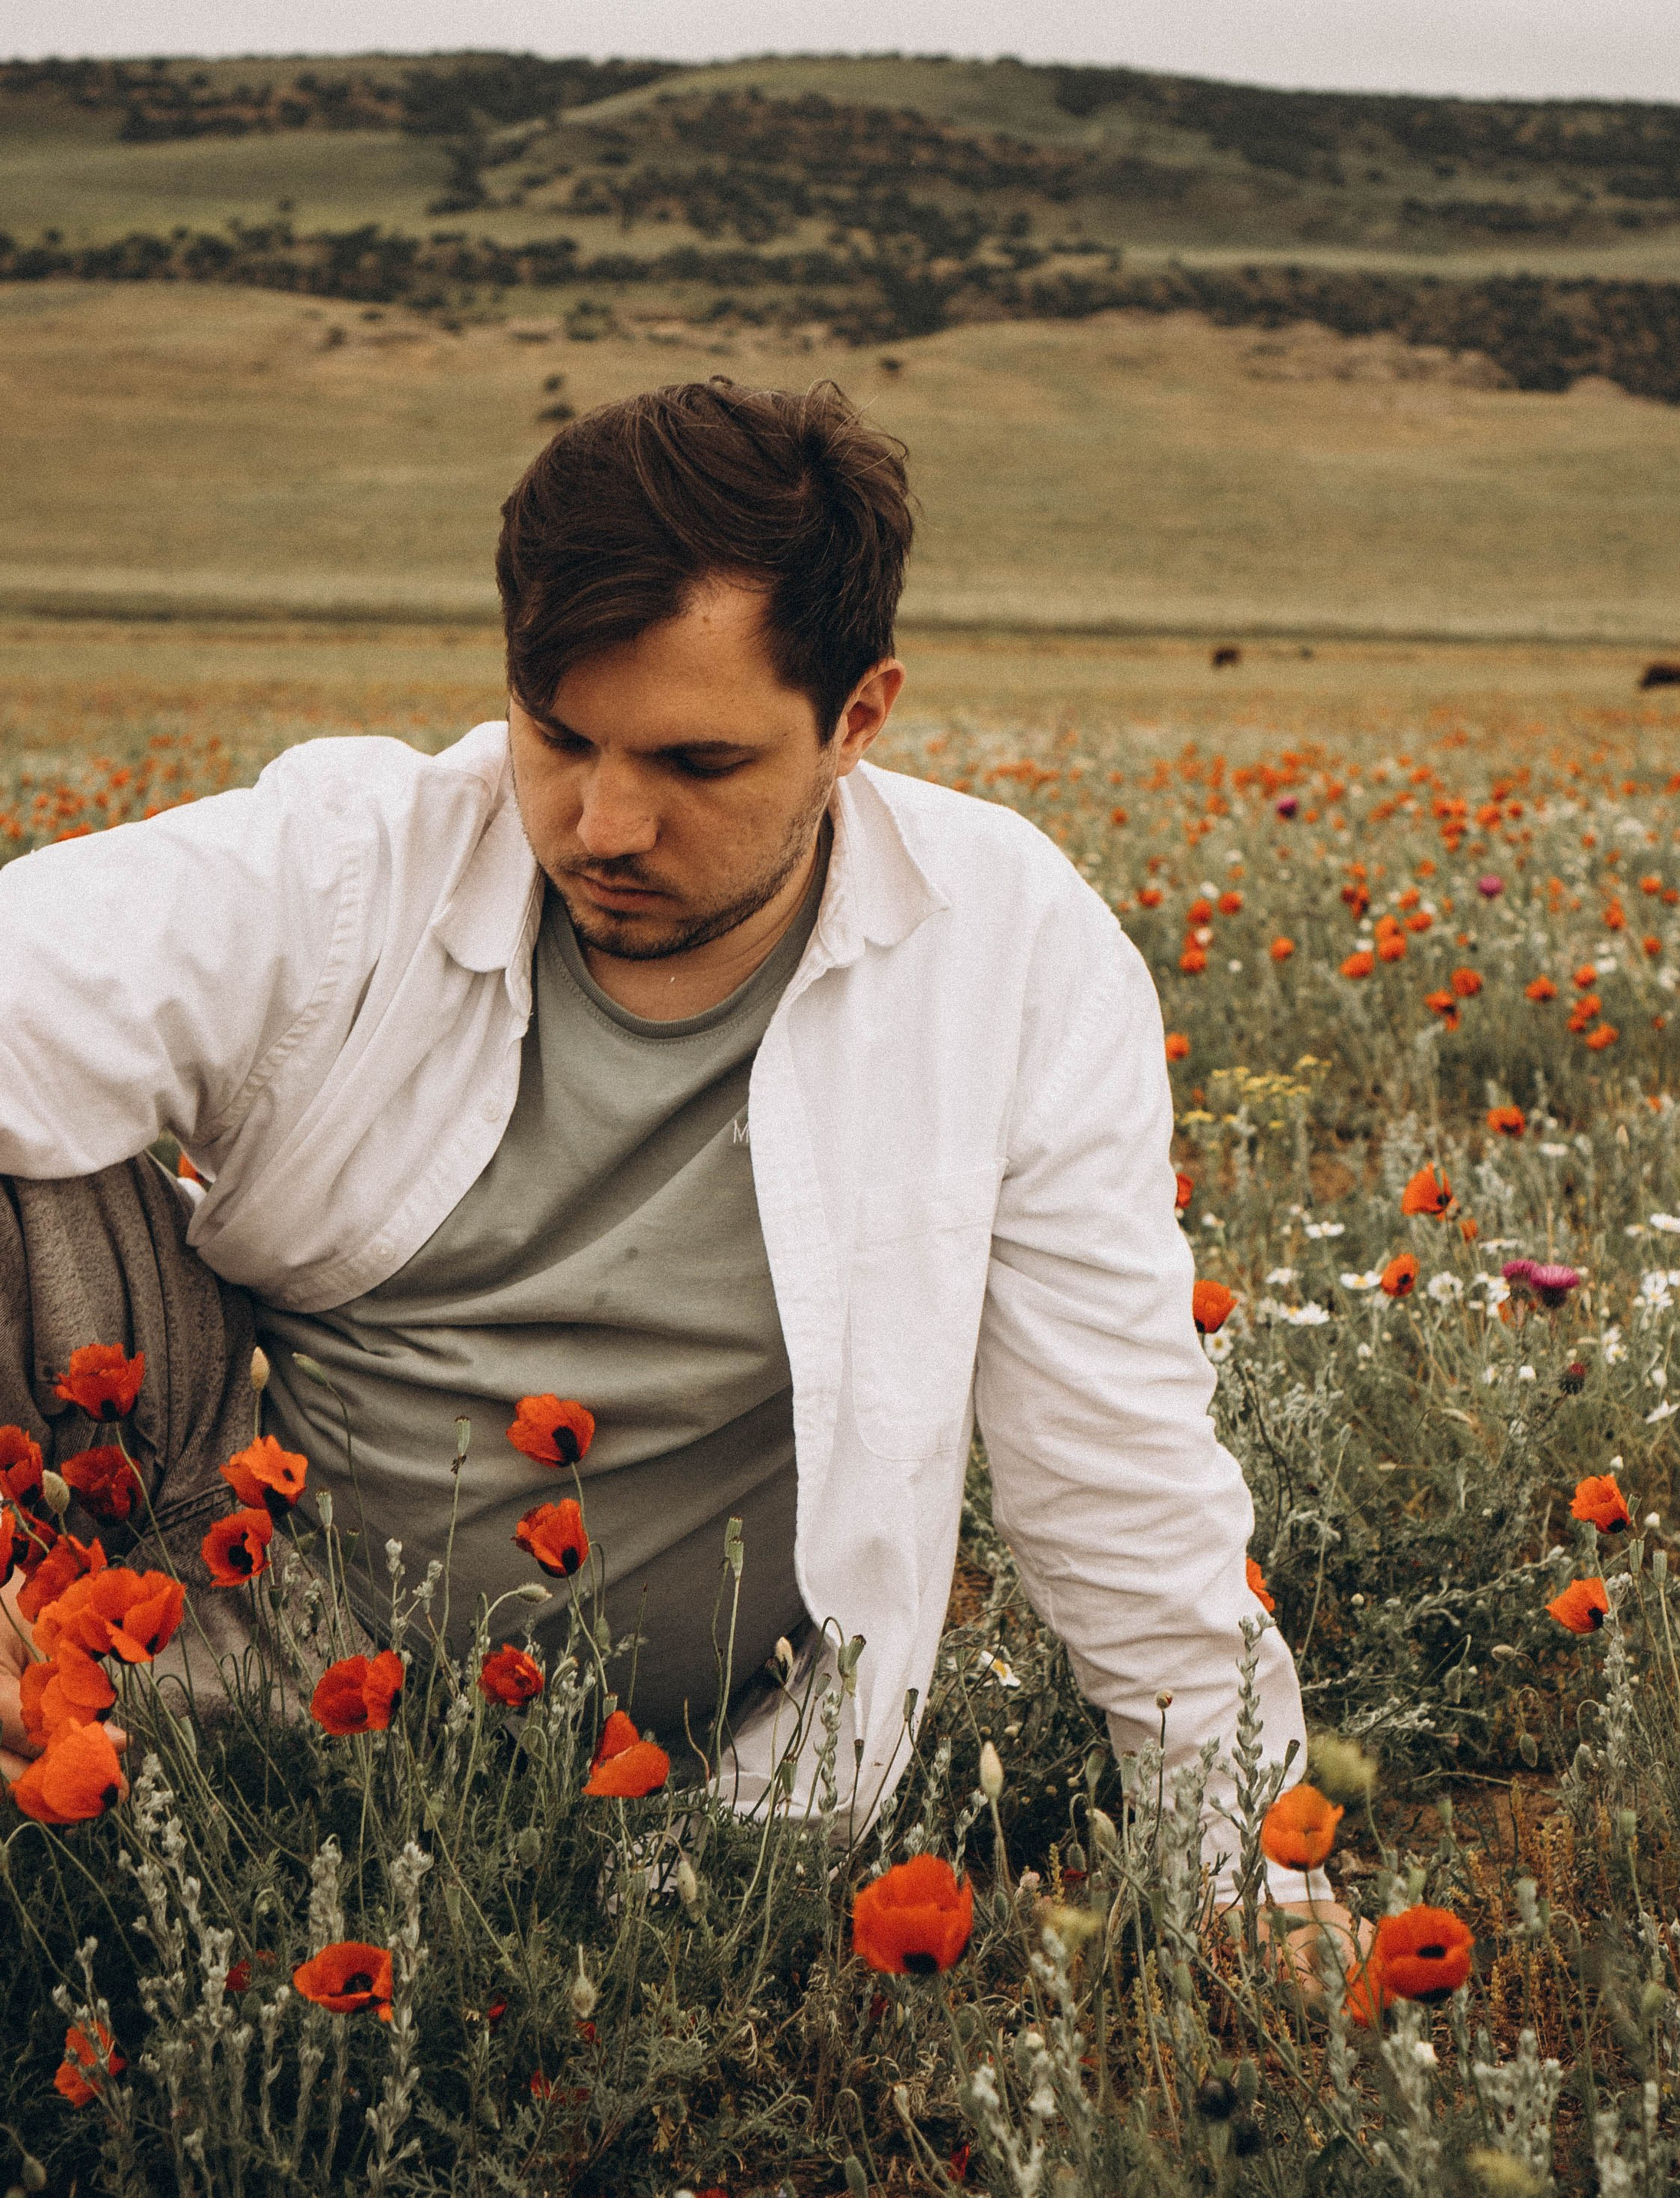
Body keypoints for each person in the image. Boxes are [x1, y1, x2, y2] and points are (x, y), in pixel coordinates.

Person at [0, 378, 1341, 1944]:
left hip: (665, 1799)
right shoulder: (352, 862)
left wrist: (1244, 1876)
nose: (603, 823)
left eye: (696, 763)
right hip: (199, 1619)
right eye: (558, 735)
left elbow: (1111, 1458)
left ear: (858, 720)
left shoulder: (1007, 954)